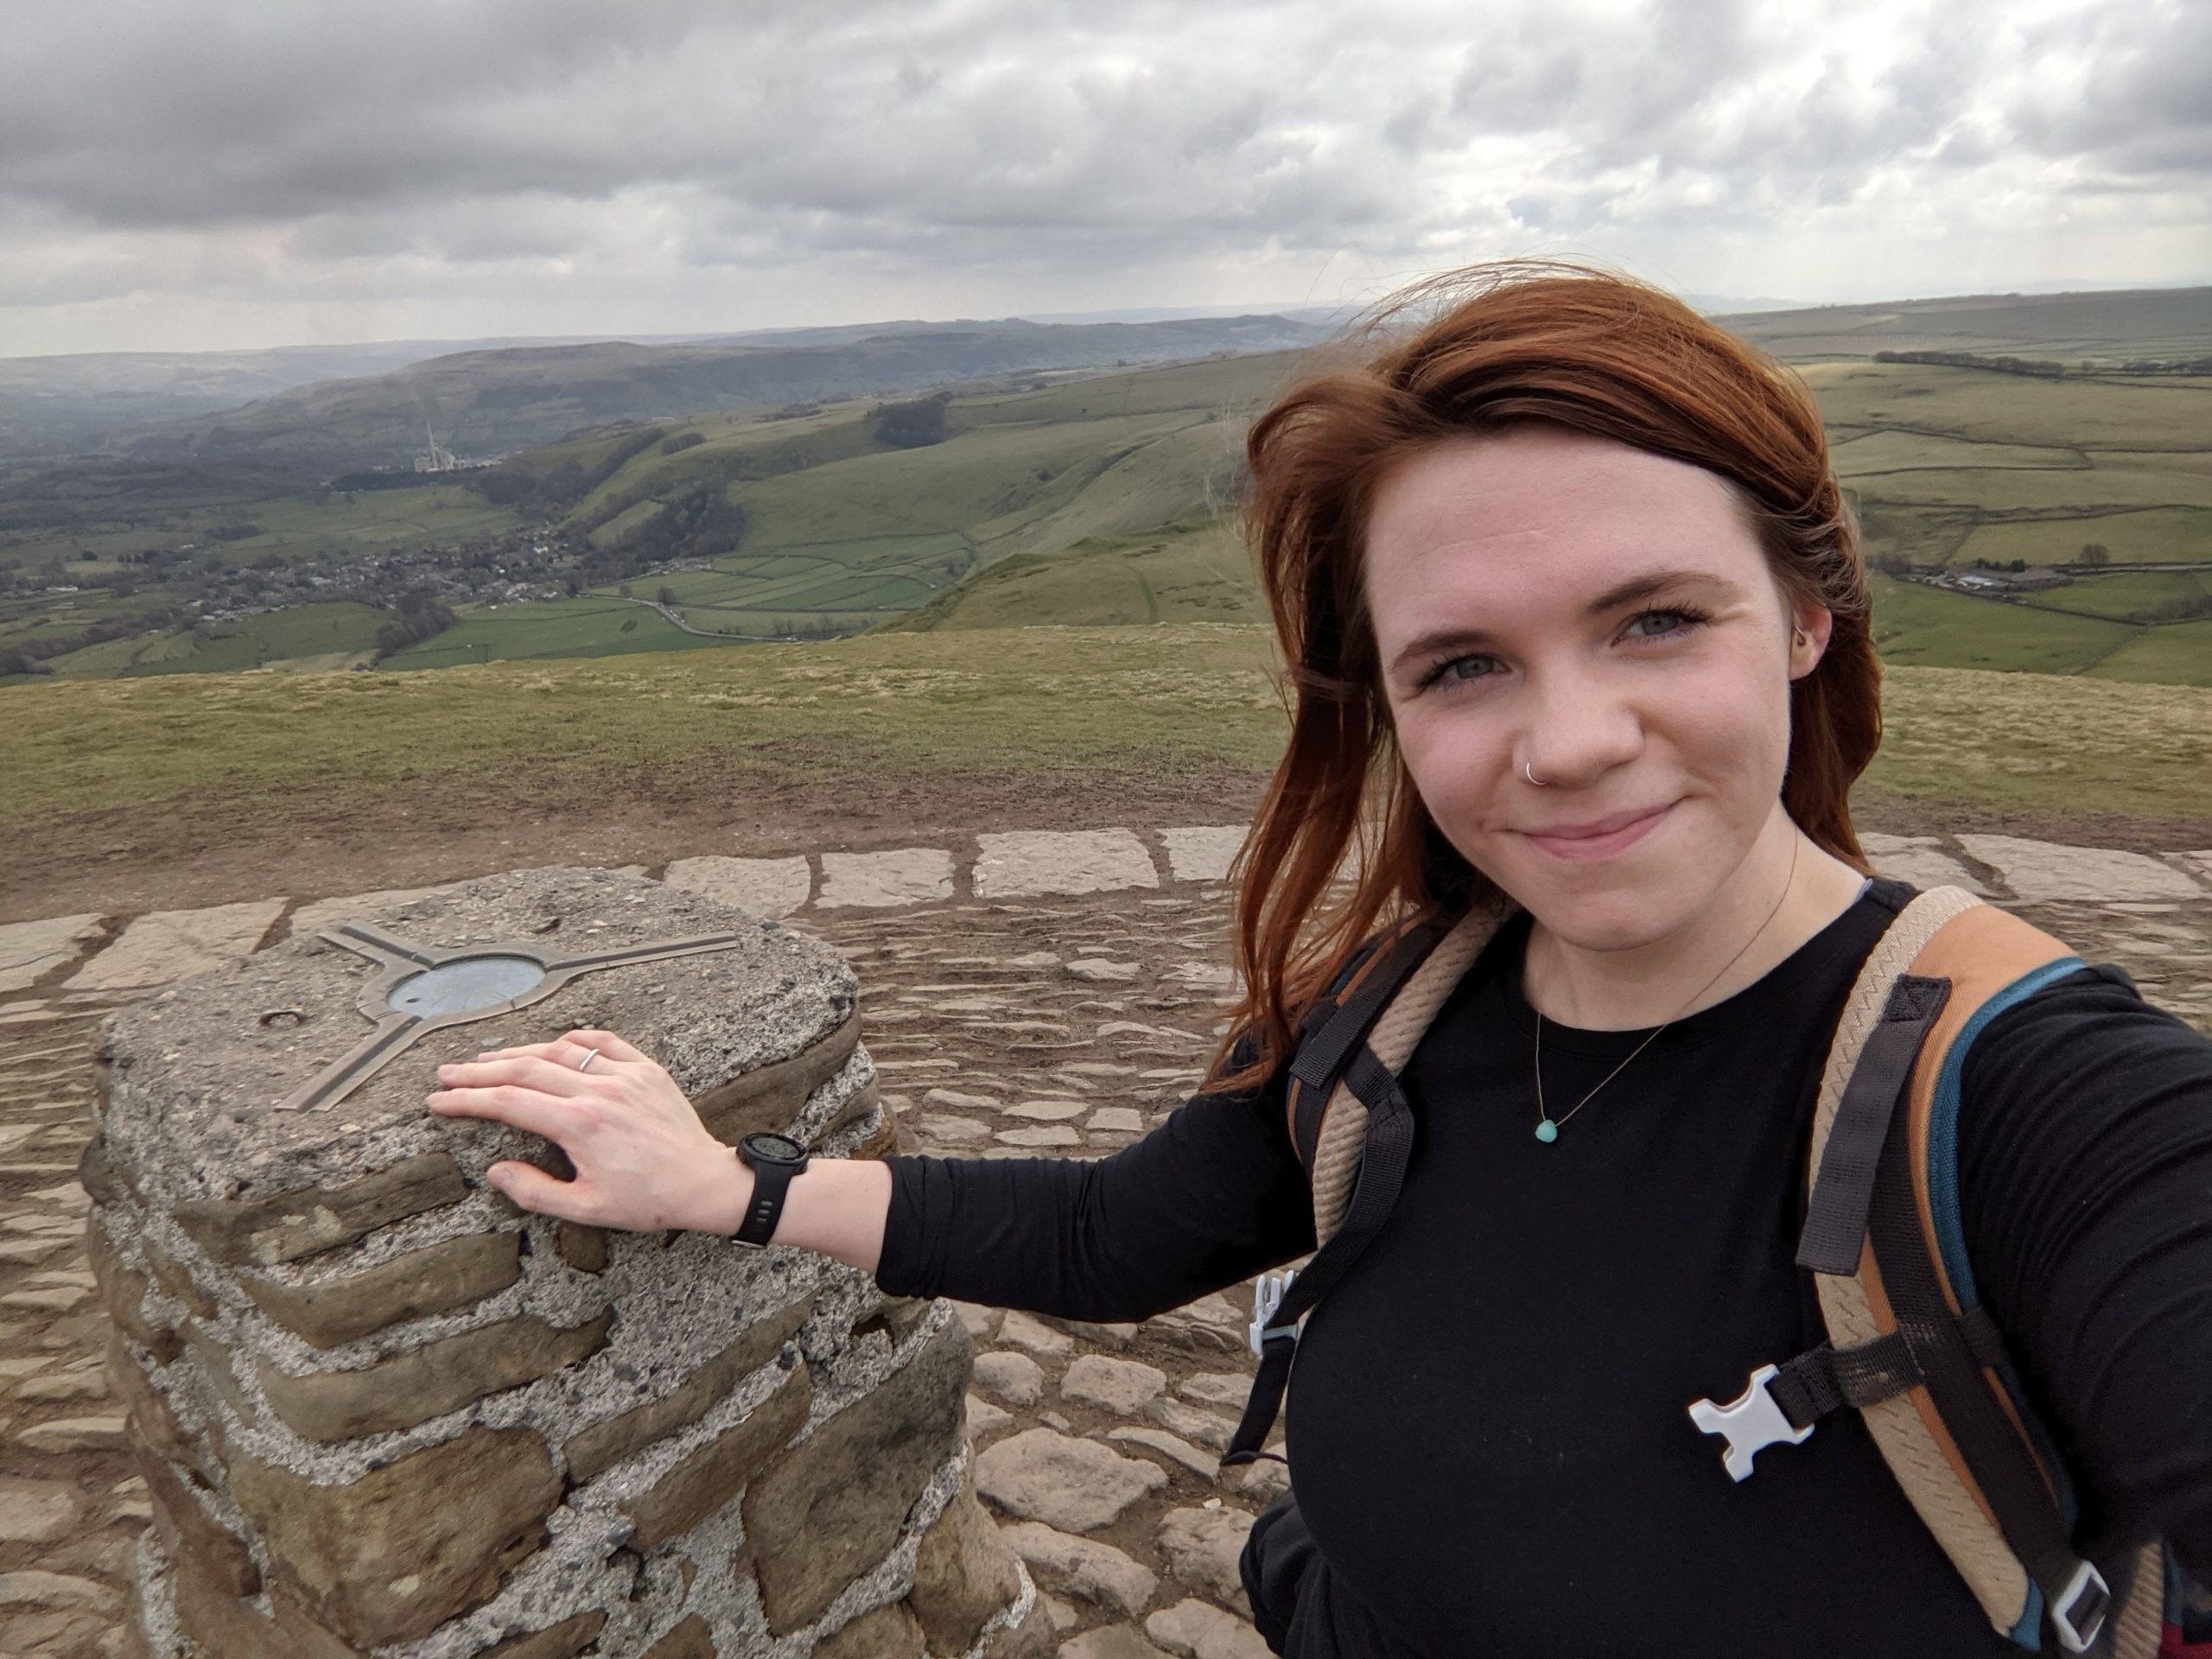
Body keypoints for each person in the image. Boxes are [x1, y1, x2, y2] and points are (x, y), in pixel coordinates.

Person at [425, 261, 2212, 1656]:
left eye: (1652, 620)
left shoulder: (2045, 1109)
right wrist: (724, 1185)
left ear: (1807, 619)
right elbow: (1116, 1238)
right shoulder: (1400, 1003)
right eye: (1462, 665)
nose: (1569, 739)